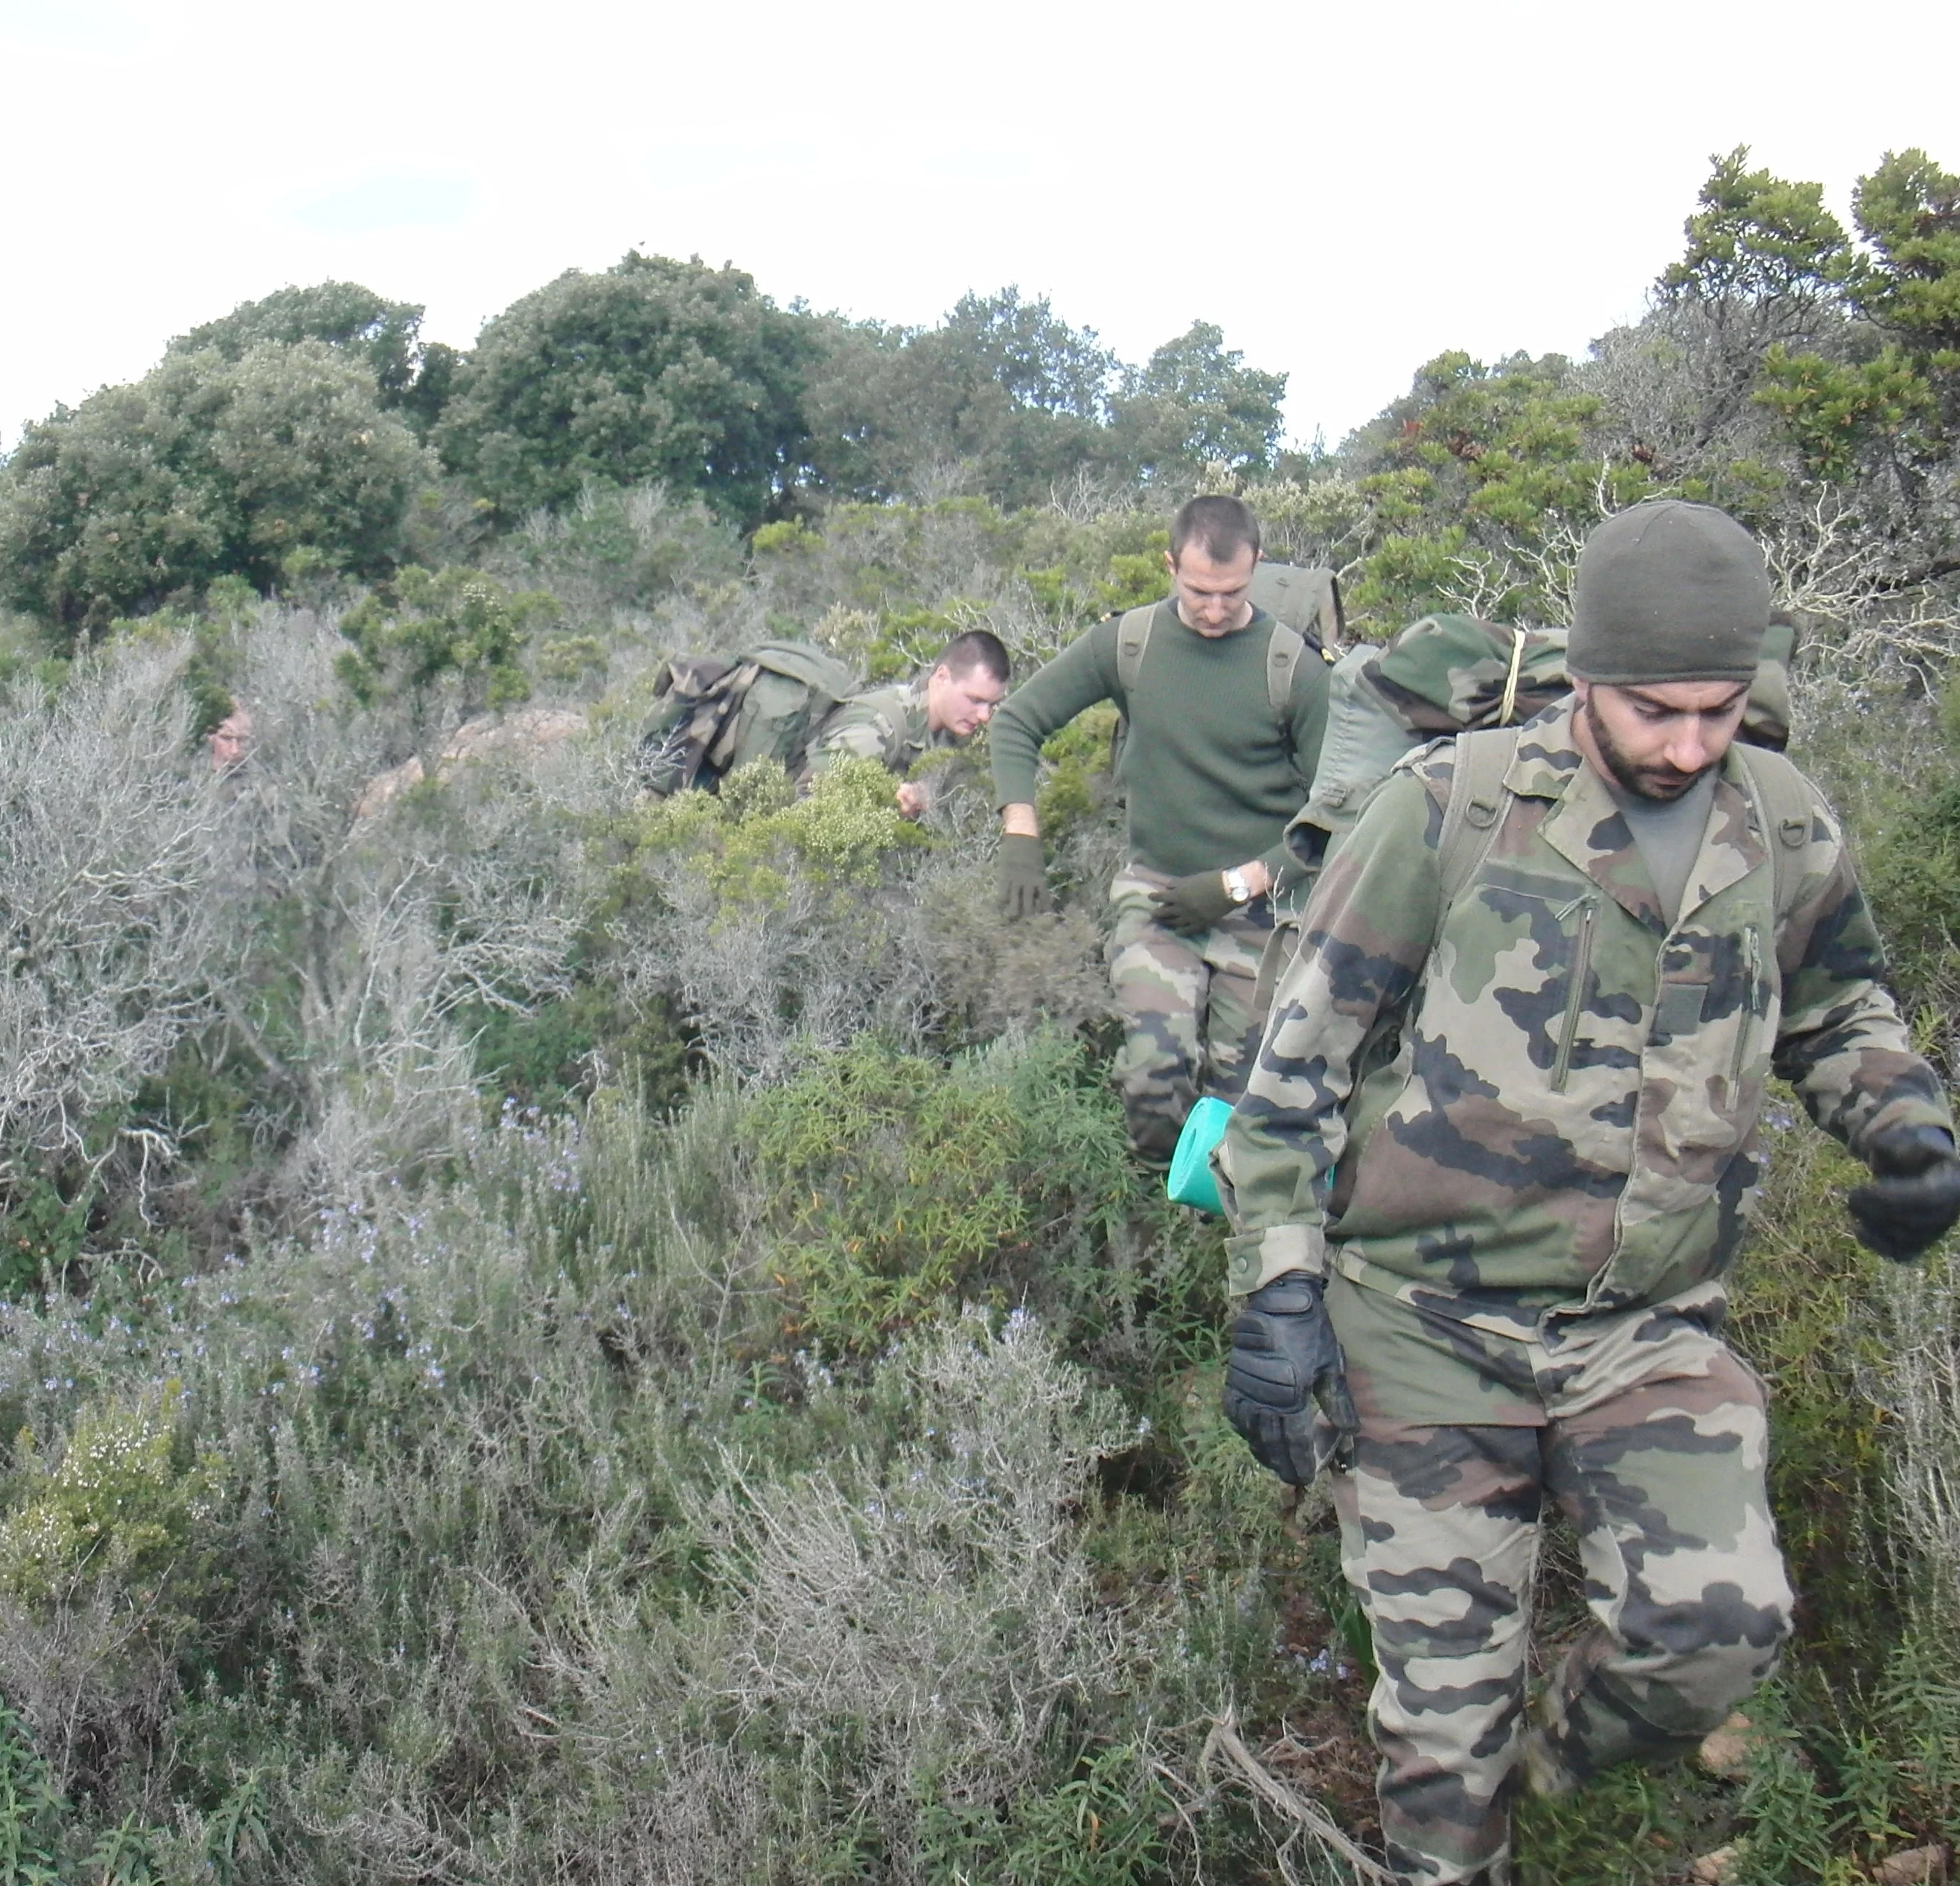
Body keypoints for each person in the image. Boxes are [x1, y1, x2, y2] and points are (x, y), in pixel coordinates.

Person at [1215, 499, 1960, 1886]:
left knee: (1716, 1630)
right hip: (1422, 1331)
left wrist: (1908, 1124)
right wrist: (1278, 1286)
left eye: (1719, 710)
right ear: (1591, 677)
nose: (1687, 745)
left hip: (1650, 1329)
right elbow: (1299, 1053)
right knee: (1439, 1752)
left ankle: (1543, 1776)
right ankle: (1463, 1819)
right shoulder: (1452, 805)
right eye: (1658, 711)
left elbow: (1840, 999)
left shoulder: (1779, 817)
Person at [988, 495, 1330, 1158]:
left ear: (1256, 567)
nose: (1213, 609)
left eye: (1231, 594)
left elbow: (1337, 812)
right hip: (1157, 894)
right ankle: (1152, 1208)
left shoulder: (1292, 668)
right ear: (1170, 565)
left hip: (1260, 909)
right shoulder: (1130, 643)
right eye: (1198, 590)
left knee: (1245, 1103)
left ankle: (1219, 1228)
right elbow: (1016, 722)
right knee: (1156, 1073)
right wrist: (1021, 833)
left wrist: (1240, 883)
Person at [807, 628, 1010, 817]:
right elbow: (806, 807)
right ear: (942, 677)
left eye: (992, 705)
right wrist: (888, 804)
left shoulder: (954, 735)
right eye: (975, 700)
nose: (985, 716)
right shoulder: (876, 730)